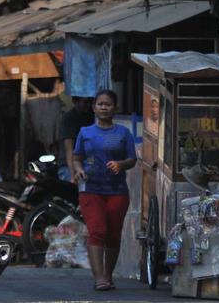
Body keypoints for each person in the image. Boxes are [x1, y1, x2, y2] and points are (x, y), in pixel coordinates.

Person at [70, 89, 137, 292]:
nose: (104, 107)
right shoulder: (85, 132)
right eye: (100, 104)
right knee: (97, 231)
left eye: (108, 104)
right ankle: (99, 278)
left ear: (114, 108)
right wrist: (79, 170)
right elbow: (76, 158)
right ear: (94, 107)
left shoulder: (123, 133)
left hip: (117, 190)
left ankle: (108, 275)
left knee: (113, 235)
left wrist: (121, 164)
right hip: (90, 189)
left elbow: (132, 159)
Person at [60, 96, 94, 183]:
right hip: (68, 166)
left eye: (90, 102)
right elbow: (69, 149)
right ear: (75, 101)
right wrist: (72, 176)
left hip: (86, 164)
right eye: (85, 102)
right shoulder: (69, 118)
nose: (88, 105)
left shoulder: (91, 116)